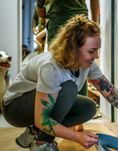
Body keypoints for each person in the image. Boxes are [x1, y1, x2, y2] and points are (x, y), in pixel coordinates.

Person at [2, 15, 118, 151]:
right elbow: (42, 119)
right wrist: (76, 136)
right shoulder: (52, 68)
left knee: (88, 107)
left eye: (97, 50)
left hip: (34, 106)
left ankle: (34, 133)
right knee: (68, 89)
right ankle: (41, 146)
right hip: (14, 107)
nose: (96, 56)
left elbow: (108, 91)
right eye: (92, 51)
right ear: (73, 49)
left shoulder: (86, 64)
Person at [37, 0, 101, 131]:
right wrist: (94, 23)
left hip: (59, 15)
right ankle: (74, 119)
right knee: (72, 67)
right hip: (76, 14)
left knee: (62, 68)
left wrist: (40, 10)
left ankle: (64, 117)